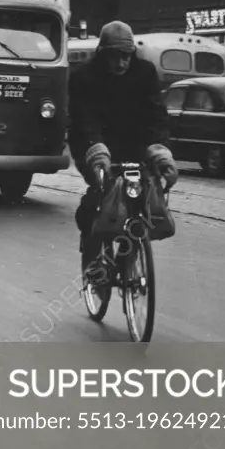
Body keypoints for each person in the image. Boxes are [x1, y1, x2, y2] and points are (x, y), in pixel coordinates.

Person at [68, 21, 178, 285]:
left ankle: (131, 247)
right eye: (114, 56)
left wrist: (161, 151)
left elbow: (157, 115)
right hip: (93, 144)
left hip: (135, 145)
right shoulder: (84, 77)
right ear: (102, 53)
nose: (120, 63)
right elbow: (84, 120)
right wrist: (97, 152)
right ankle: (94, 259)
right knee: (98, 200)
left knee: (144, 198)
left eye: (126, 56)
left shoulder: (145, 73)